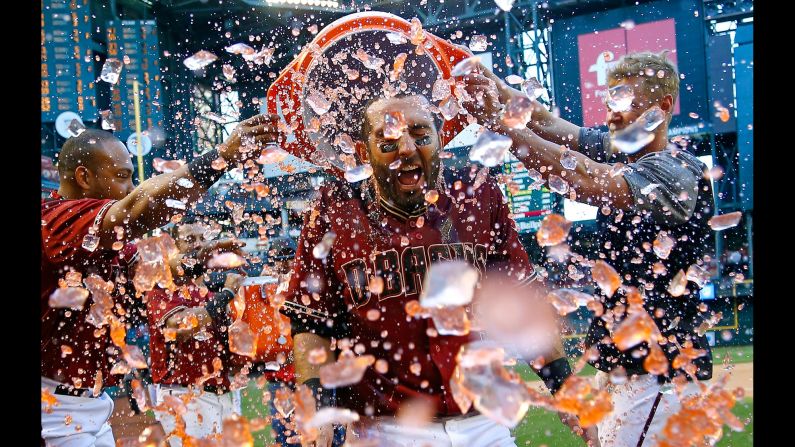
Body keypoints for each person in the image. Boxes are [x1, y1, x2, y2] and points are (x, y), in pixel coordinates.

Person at [280, 93, 589, 447]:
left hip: (483, 423)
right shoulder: (334, 210)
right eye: (388, 140)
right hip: (385, 429)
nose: (408, 148)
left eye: (421, 134)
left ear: (441, 139)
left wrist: (563, 384)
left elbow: (520, 298)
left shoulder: (477, 192)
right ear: (364, 154)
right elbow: (311, 319)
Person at [461, 51, 715, 447]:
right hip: (634, 369)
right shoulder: (625, 149)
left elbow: (587, 180)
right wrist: (498, 88)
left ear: (662, 108)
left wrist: (500, 126)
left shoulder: (675, 170)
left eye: (624, 105)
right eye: (610, 105)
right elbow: (548, 125)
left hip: (660, 377)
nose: (611, 117)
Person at [41, 114, 280, 447]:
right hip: (55, 407)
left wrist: (195, 261)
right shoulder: (55, 218)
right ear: (84, 176)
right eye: (122, 176)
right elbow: (138, 207)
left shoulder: (99, 241)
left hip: (89, 403)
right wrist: (221, 156)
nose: (128, 186)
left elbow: (153, 271)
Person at [145, 221, 247, 446]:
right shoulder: (161, 285)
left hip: (220, 390)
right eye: (190, 240)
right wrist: (227, 293)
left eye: (203, 239)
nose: (199, 246)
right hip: (184, 395)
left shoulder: (209, 283)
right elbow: (181, 326)